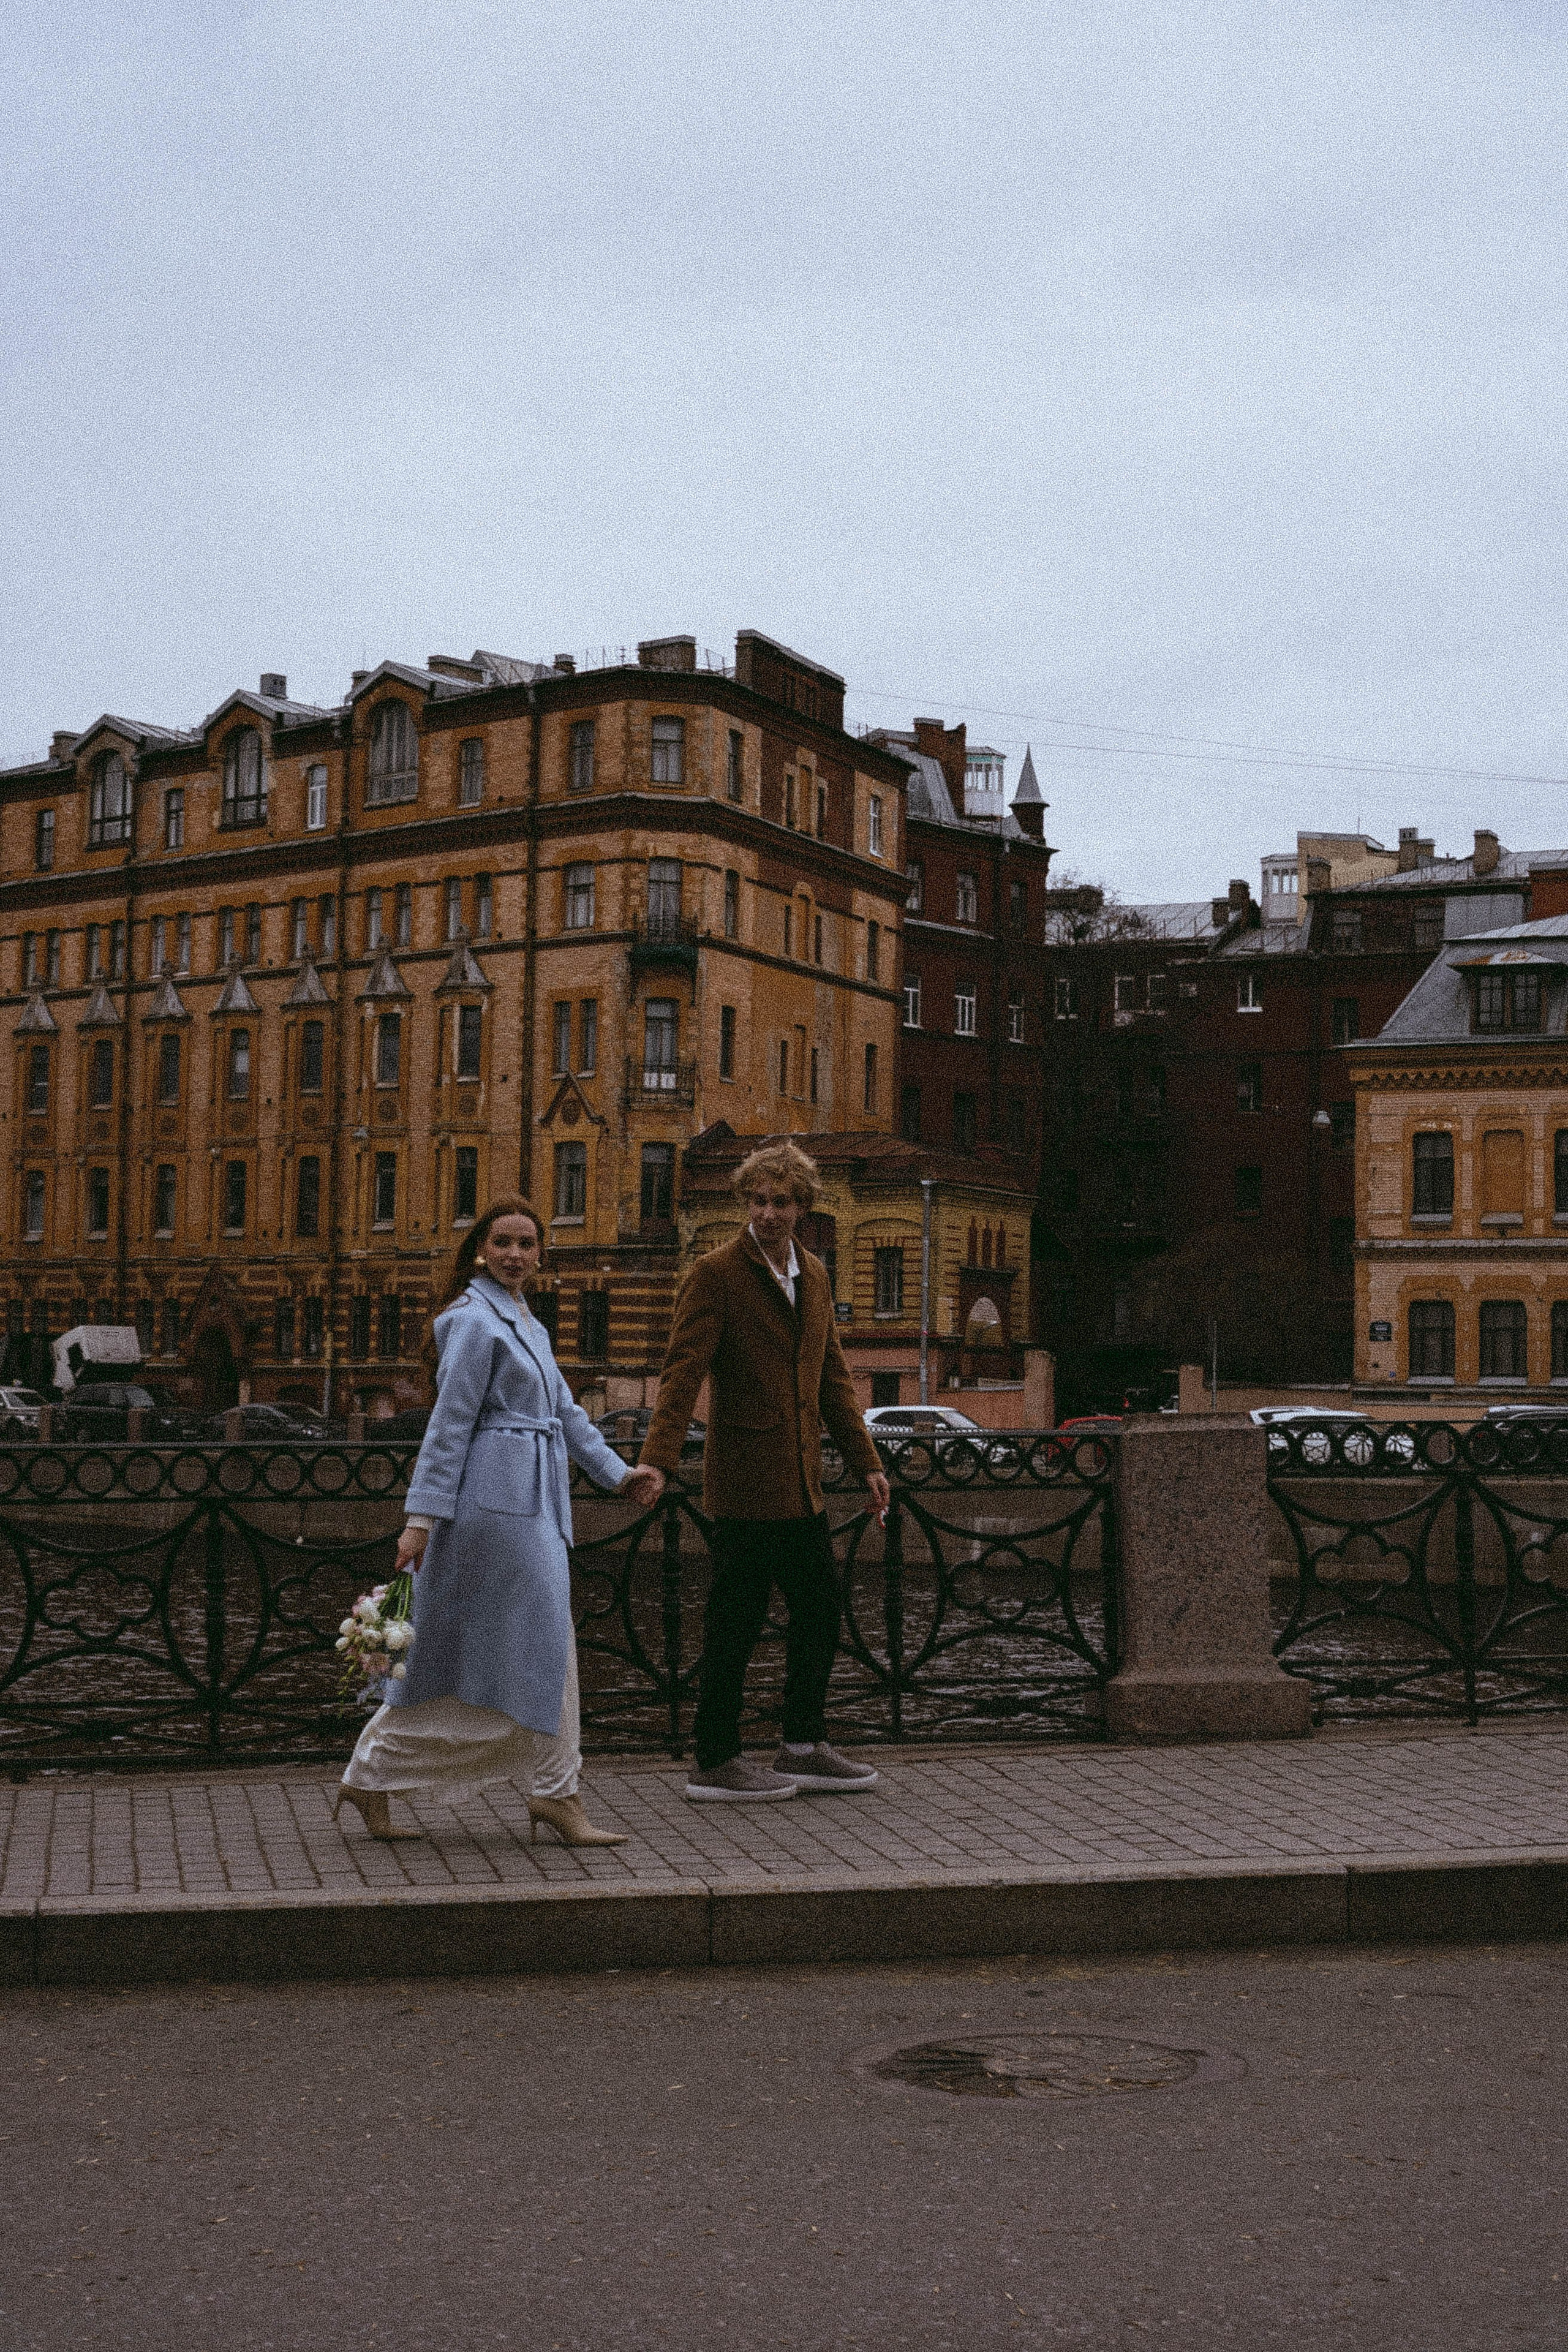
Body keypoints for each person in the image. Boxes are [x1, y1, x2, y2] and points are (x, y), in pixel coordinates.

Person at [334, 1194, 663, 1843]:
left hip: (533, 1501)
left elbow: (566, 1412)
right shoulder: (471, 1320)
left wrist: (618, 1473)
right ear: (481, 1250)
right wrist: (421, 1519)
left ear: (540, 1254)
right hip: (493, 1503)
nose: (515, 1254)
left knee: (541, 1648)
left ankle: (376, 1777)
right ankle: (553, 1794)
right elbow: (450, 1425)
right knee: (547, 1645)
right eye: (504, 1242)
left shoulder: (525, 1320)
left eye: (527, 1244)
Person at [638, 1142, 890, 1801]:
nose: (768, 1213)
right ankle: (714, 1758)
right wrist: (657, 1460)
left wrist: (865, 1461)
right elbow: (682, 1370)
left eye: (781, 1202)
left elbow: (833, 1379)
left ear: (803, 1207)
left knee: (820, 1609)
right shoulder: (716, 1273)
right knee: (735, 1623)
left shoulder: (814, 1273)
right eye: (757, 1200)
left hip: (802, 1482)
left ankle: (801, 1746)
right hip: (746, 1485)